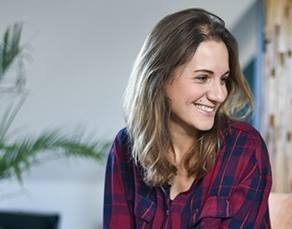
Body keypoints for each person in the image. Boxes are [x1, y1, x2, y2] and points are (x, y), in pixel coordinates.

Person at [103, 8, 272, 228]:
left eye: (223, 79)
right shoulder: (125, 148)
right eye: (202, 78)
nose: (219, 95)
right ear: (160, 78)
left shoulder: (244, 148)